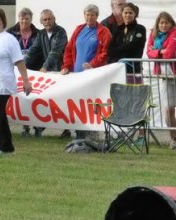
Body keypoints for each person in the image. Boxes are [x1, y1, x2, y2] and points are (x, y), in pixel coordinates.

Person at [0, 8, 33, 155]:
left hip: (2, 84)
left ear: (3, 21)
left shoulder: (9, 39)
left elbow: (19, 61)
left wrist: (26, 81)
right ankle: (6, 147)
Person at [60, 4, 112, 140]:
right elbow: (69, 49)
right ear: (84, 16)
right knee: (78, 103)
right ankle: (79, 132)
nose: (90, 17)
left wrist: (92, 64)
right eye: (87, 14)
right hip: (77, 75)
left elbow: (105, 52)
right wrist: (66, 66)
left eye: (92, 15)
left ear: (97, 16)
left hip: (94, 75)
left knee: (93, 103)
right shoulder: (79, 29)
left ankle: (95, 131)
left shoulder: (103, 32)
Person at [147, 11, 176, 150]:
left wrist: (157, 51)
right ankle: (173, 139)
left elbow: (170, 54)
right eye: (161, 23)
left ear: (171, 23)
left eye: (166, 23)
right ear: (158, 23)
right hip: (166, 77)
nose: (164, 25)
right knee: (168, 109)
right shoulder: (153, 34)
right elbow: (148, 54)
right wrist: (160, 51)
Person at [24, 9, 69, 138]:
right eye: (45, 20)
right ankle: (40, 126)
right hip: (48, 72)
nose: (47, 22)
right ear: (41, 22)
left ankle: (67, 128)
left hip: (60, 71)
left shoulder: (61, 32)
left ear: (54, 19)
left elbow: (55, 52)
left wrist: (44, 67)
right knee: (44, 99)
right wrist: (21, 64)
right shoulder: (41, 34)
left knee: (61, 100)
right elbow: (33, 50)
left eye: (50, 19)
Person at [7, 7, 40, 137]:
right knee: (22, 98)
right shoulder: (10, 32)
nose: (24, 21)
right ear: (18, 18)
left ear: (31, 20)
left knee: (34, 97)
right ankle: (25, 126)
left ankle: (38, 126)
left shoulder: (37, 33)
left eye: (27, 19)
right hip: (16, 70)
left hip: (34, 69)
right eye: (22, 18)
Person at [108, 2, 146, 81]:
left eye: (130, 13)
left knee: (134, 92)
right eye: (125, 13)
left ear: (135, 14)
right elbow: (110, 49)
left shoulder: (140, 29)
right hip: (118, 69)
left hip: (133, 69)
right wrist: (120, 50)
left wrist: (118, 49)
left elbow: (134, 46)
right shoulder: (119, 29)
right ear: (122, 14)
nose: (127, 15)